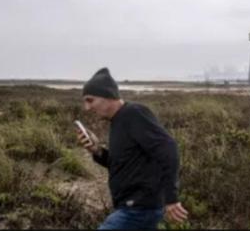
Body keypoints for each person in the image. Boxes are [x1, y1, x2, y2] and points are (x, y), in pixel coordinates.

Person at [77, 67, 189, 229]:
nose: (87, 108)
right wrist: (97, 150)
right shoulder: (118, 121)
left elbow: (169, 149)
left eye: (90, 100)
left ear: (108, 96)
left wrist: (171, 197)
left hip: (139, 209)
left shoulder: (134, 114)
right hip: (132, 207)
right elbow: (123, 163)